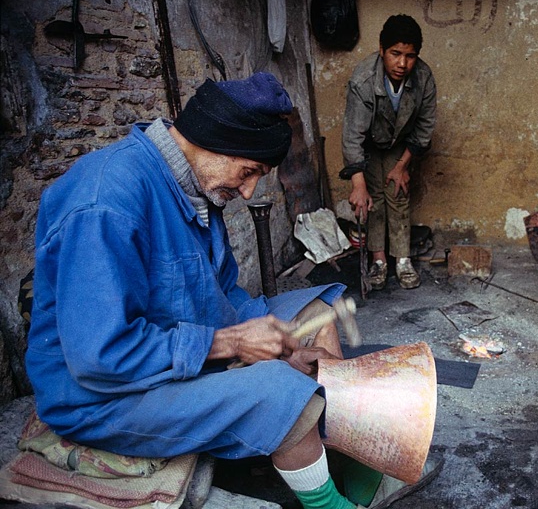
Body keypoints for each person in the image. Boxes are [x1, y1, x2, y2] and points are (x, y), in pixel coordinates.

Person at [27, 73, 440, 509]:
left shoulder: (194, 189)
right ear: (213, 140)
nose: (248, 191)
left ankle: (341, 453)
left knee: (324, 306)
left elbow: (221, 293)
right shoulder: (106, 202)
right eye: (248, 173)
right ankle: (325, 499)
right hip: (102, 397)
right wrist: (229, 344)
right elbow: (99, 356)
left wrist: (283, 347)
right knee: (283, 393)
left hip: (178, 350)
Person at [340, 14, 436, 291]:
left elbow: (425, 127)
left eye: (410, 56)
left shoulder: (424, 78)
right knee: (374, 199)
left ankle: (403, 259)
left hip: (401, 144)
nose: (402, 63)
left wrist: (402, 166)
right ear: (382, 50)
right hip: (369, 143)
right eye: (395, 54)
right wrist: (358, 184)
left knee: (397, 192)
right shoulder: (363, 79)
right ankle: (379, 260)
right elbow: (352, 136)